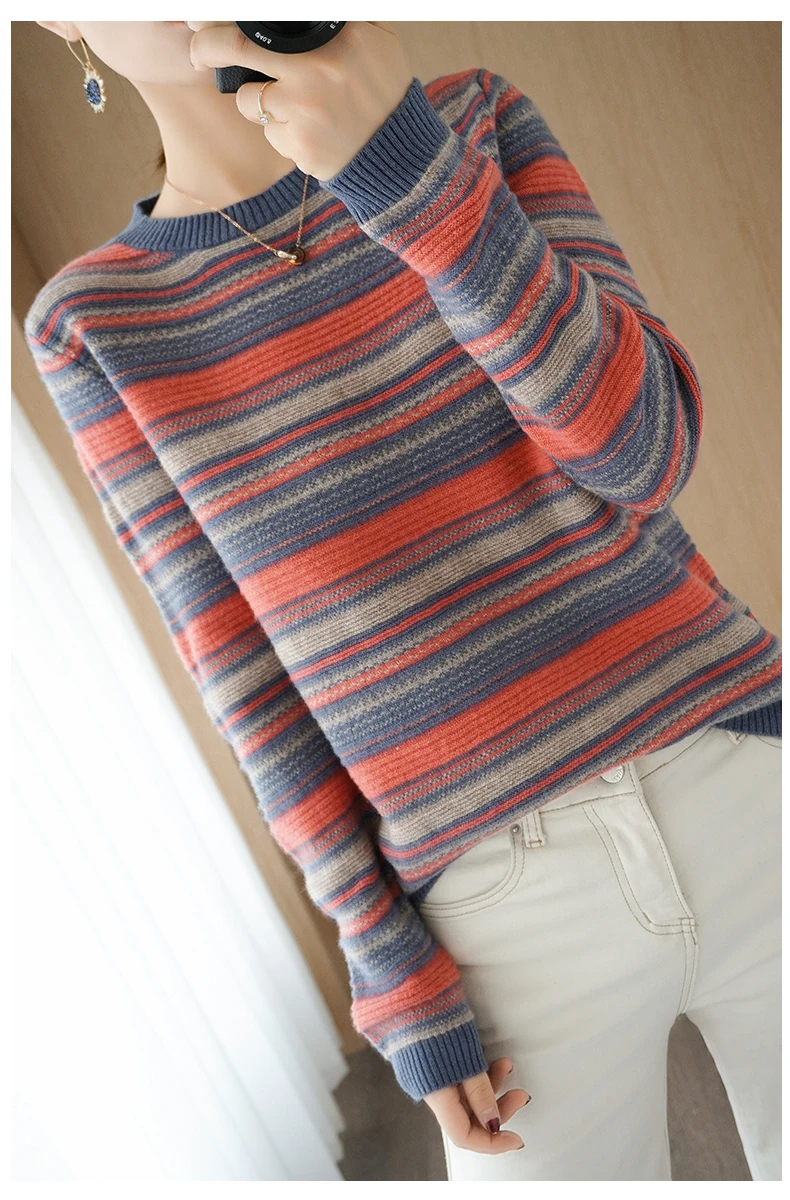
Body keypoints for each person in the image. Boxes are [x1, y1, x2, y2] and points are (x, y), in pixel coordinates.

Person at [25, 21, 781, 1181]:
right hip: (500, 909)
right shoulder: (96, 324)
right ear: (56, 17)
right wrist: (389, 969)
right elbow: (247, 683)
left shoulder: (472, 124)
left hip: (742, 780)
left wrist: (410, 176)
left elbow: (646, 453)